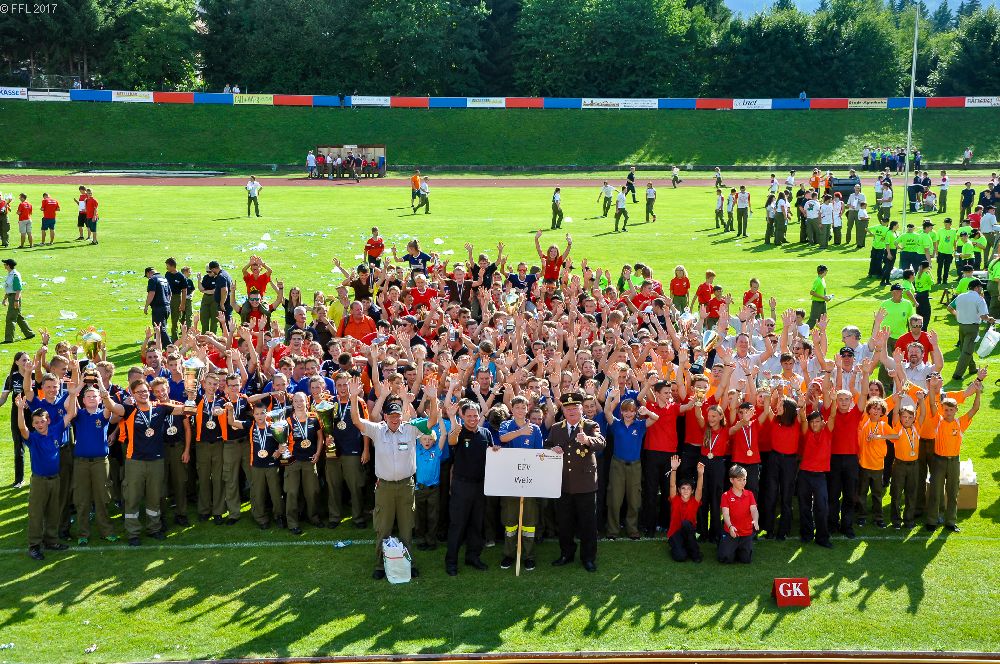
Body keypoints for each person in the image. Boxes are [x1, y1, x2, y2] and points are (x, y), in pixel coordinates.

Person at [349, 376, 439, 581]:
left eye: (398, 415)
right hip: (385, 488)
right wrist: (354, 397)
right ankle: (380, 565)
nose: (395, 419)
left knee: (407, 528)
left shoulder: (411, 428)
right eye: (391, 415)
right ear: (385, 415)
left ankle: (408, 563)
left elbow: (432, 421)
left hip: (406, 486)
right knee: (383, 528)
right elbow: (356, 421)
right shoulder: (377, 430)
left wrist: (433, 399)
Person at [549, 391, 606, 573]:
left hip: (585, 484)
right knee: (564, 523)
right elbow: (547, 445)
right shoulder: (556, 428)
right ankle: (566, 554)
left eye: (575, 408)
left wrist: (587, 439)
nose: (571, 411)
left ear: (581, 409)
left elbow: (601, 442)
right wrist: (552, 448)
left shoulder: (590, 425)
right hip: (563, 484)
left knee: (588, 524)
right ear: (563, 411)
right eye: (568, 408)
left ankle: (588, 558)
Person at [16, 392, 75, 560]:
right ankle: (34, 546)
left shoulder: (56, 430)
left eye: (42, 421)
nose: (40, 424)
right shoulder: (33, 438)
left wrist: (72, 395)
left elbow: (70, 414)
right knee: (36, 513)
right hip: (39, 481)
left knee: (53, 512)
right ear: (33, 424)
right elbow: (22, 428)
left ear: (48, 421)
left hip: (55, 479)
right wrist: (20, 409)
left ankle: (51, 541)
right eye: (36, 422)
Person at [443, 399, 495, 575]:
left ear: (479, 416)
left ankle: (473, 557)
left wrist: (495, 450)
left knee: (476, 524)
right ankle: (451, 562)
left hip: (480, 486)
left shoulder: (486, 433)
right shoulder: (458, 431)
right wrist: (452, 419)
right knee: (457, 525)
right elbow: (451, 441)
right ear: (463, 416)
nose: (473, 419)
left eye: (475, 415)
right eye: (469, 416)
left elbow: (492, 453)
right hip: (461, 485)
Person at [926, 383, 982, 533]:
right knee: (935, 492)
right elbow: (931, 404)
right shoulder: (938, 421)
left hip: (954, 462)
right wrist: (932, 388)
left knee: (953, 493)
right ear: (942, 410)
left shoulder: (960, 423)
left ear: (956, 410)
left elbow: (975, 409)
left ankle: (950, 522)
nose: (948, 412)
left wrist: (978, 393)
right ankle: (932, 521)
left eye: (951, 410)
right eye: (946, 410)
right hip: (938, 461)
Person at [497, 395, 544, 570]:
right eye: (517, 407)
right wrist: (521, 432)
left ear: (527, 409)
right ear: (512, 409)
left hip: (529, 481)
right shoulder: (506, 425)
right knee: (510, 521)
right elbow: (503, 439)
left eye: (523, 407)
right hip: (510, 480)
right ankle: (509, 554)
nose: (520, 410)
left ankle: (529, 556)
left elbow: (539, 453)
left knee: (529, 522)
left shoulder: (535, 429)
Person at [797, 408, 835, 548]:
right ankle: (807, 534)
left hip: (820, 476)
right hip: (804, 474)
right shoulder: (806, 432)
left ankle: (822, 537)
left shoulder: (828, 432)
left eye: (817, 421)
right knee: (804, 505)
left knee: (822, 506)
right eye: (812, 422)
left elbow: (832, 415)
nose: (814, 424)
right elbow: (802, 418)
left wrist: (834, 400)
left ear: (822, 422)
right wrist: (802, 407)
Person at [946, 279, 994, 381]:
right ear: (976, 288)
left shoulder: (960, 296)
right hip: (972, 328)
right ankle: (957, 374)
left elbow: (949, 307)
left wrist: (956, 315)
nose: (982, 289)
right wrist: (990, 319)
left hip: (961, 327)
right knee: (967, 351)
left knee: (965, 348)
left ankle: (972, 368)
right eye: (981, 287)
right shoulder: (979, 299)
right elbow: (983, 316)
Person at [717, 464, 759, 564]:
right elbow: (725, 514)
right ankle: (724, 543)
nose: (743, 482)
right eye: (739, 480)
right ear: (731, 480)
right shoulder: (725, 495)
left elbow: (754, 509)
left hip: (746, 533)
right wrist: (730, 526)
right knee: (726, 559)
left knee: (746, 560)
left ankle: (736, 548)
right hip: (731, 533)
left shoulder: (750, 494)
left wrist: (755, 520)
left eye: (744, 479)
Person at [2, 259, 34, 344]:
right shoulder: (10, 274)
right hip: (11, 297)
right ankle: (29, 333)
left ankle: (9, 339)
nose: (4, 266)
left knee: (10, 318)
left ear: (8, 265)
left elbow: (18, 289)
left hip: (15, 297)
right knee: (18, 316)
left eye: (5, 264)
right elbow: (9, 288)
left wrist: (16, 300)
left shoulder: (15, 275)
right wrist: (5, 298)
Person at [143, 266, 171, 348]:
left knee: (160, 329)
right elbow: (170, 294)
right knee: (160, 328)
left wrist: (146, 305)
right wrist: (167, 303)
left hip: (158, 307)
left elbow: (151, 293)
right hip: (166, 306)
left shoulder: (152, 279)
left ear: (148, 273)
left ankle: (170, 347)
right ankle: (158, 347)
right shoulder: (164, 279)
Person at [164, 258, 188, 342]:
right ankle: (164, 337)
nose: (166, 268)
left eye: (167, 266)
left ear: (172, 266)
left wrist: (183, 304)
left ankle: (175, 338)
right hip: (167, 297)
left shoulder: (181, 276)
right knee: (164, 317)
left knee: (175, 319)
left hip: (176, 298)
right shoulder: (167, 274)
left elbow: (184, 291)